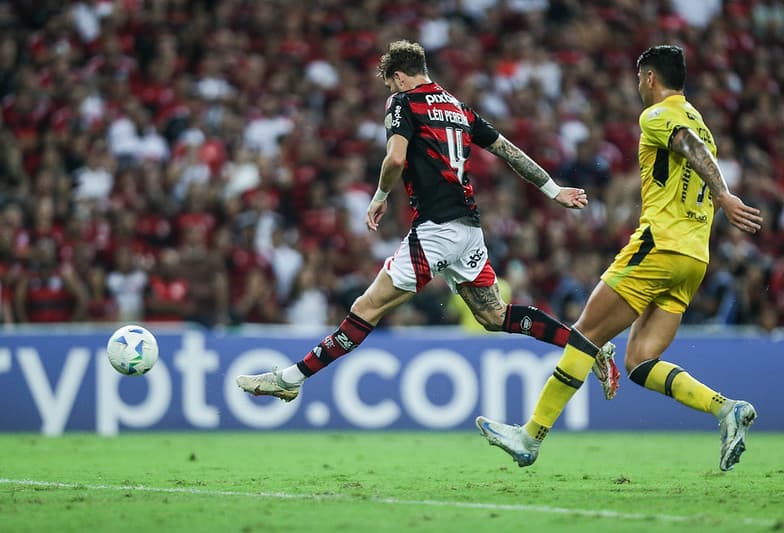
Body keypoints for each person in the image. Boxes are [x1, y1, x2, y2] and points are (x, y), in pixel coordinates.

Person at [236, 40, 614, 402]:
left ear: (399, 77)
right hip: (469, 228)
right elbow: (509, 151)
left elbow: (395, 158)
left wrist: (380, 196)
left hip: (436, 229)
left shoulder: (403, 101)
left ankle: (291, 379)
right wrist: (554, 190)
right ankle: (588, 347)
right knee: (493, 315)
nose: (390, 90)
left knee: (367, 308)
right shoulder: (459, 108)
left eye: (390, 83)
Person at [475, 45, 764, 472]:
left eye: (638, 78)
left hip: (659, 245)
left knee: (585, 335)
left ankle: (530, 437)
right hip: (694, 258)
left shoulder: (658, 115)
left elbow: (684, 145)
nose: (637, 86)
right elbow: (693, 152)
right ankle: (726, 409)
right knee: (640, 361)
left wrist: (723, 194)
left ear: (649, 77)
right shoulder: (703, 125)